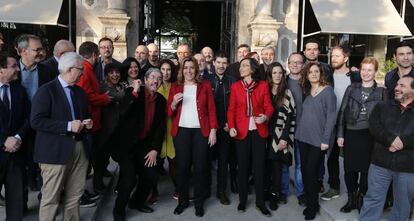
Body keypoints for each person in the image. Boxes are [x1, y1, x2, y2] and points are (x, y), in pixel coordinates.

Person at [31, 52, 93, 221]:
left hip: (79, 148)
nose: (83, 73)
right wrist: (67, 126)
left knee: (75, 195)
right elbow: (36, 121)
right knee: (51, 198)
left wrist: (88, 123)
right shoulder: (47, 90)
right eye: (80, 69)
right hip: (54, 152)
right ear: (69, 69)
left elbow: (85, 114)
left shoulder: (79, 92)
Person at [112, 68, 166, 221]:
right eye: (153, 77)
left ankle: (136, 203)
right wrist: (134, 92)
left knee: (151, 175)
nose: (156, 81)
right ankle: (118, 210)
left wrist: (155, 149)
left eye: (159, 78)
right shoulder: (133, 92)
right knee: (129, 179)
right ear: (146, 79)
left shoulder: (161, 100)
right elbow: (122, 112)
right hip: (126, 145)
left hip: (144, 145)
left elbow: (160, 127)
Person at [168, 56, 217, 217]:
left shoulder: (205, 86)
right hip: (181, 132)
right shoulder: (175, 87)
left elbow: (211, 109)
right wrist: (174, 103)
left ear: (196, 69)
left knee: (201, 168)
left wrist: (213, 130)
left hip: (200, 132)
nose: (189, 70)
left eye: (191, 67)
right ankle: (182, 201)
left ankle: (198, 202)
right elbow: (169, 112)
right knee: (182, 168)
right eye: (186, 67)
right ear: (182, 70)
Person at [360, 75, 414, 221]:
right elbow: (374, 126)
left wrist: (403, 142)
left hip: (408, 168)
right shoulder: (383, 106)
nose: (397, 88)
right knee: (372, 200)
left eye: (402, 86)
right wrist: (390, 140)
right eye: (397, 85)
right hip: (380, 163)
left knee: (403, 205)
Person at [336, 57, 387, 213]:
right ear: (360, 70)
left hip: (370, 136)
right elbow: (342, 112)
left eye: (369, 70)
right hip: (351, 134)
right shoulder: (352, 88)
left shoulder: (382, 92)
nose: (365, 73)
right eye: (363, 69)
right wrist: (340, 134)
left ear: (375, 72)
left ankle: (360, 198)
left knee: (366, 170)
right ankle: (351, 198)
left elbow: (385, 117)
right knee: (349, 169)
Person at [227, 57, 274, 217]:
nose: (241, 68)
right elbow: (231, 109)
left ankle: (261, 203)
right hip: (241, 132)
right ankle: (242, 200)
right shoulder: (235, 87)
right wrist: (232, 127)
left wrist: (265, 118)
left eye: (245, 66)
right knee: (243, 168)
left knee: (259, 168)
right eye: (241, 66)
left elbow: (269, 107)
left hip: (259, 132)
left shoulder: (263, 85)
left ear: (253, 69)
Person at [295, 62, 336, 220]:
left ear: (321, 73)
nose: (313, 74)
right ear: (306, 74)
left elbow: (331, 117)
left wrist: (326, 140)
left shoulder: (328, 91)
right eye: (310, 72)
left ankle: (313, 206)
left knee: (311, 172)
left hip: (318, 140)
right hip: (302, 137)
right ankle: (312, 203)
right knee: (305, 172)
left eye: (316, 71)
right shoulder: (307, 90)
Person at [321, 46, 361, 201]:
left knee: (351, 158)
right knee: (332, 157)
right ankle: (334, 187)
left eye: (338, 56)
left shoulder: (355, 76)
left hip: (350, 122)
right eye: (332, 56)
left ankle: (355, 190)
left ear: (346, 58)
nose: (334, 59)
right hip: (331, 121)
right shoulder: (327, 75)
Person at [77, 41, 111, 198]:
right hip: (90, 121)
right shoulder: (85, 69)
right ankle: (81, 192)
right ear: (94, 55)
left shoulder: (87, 68)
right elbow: (86, 96)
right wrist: (105, 98)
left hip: (92, 120)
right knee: (88, 159)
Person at [0, 53, 31, 221]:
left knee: (16, 204)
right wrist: (4, 140)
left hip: (16, 156)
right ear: (1, 70)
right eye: (13, 66)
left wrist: (18, 137)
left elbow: (29, 117)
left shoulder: (19, 90)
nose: (18, 69)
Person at [203, 51, 235, 205]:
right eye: (219, 62)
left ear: (227, 64)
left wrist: (231, 123)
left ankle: (221, 191)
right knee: (205, 160)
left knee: (223, 161)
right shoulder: (205, 80)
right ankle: (206, 188)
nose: (221, 65)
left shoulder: (232, 82)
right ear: (214, 63)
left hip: (225, 127)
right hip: (208, 127)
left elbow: (236, 106)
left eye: (224, 63)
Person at [265, 62, 295, 211]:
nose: (277, 75)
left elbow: (289, 118)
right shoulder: (264, 90)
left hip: (279, 136)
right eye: (274, 73)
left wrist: (284, 138)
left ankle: (274, 196)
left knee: (277, 167)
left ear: (283, 75)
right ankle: (266, 192)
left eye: (280, 73)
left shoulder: (286, 93)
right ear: (270, 75)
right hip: (264, 134)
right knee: (265, 166)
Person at [96, 63, 126, 194]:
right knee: (101, 157)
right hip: (105, 129)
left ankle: (106, 173)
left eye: (117, 72)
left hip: (117, 129)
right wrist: (133, 90)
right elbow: (120, 97)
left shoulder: (119, 86)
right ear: (106, 75)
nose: (115, 75)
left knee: (114, 155)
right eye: (111, 73)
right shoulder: (103, 87)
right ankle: (97, 184)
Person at [282, 52, 306, 206]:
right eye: (292, 62)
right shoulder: (282, 82)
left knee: (300, 164)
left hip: (303, 130)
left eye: (298, 62)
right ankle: (283, 191)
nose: (295, 65)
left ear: (303, 64)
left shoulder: (308, 82)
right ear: (288, 64)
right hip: (285, 130)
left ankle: (300, 192)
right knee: (284, 163)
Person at [156, 59, 178, 199]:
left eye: (168, 69)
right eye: (163, 69)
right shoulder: (153, 85)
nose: (165, 73)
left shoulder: (176, 86)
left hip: (172, 125)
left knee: (174, 162)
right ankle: (152, 191)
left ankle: (178, 188)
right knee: (155, 162)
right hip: (157, 128)